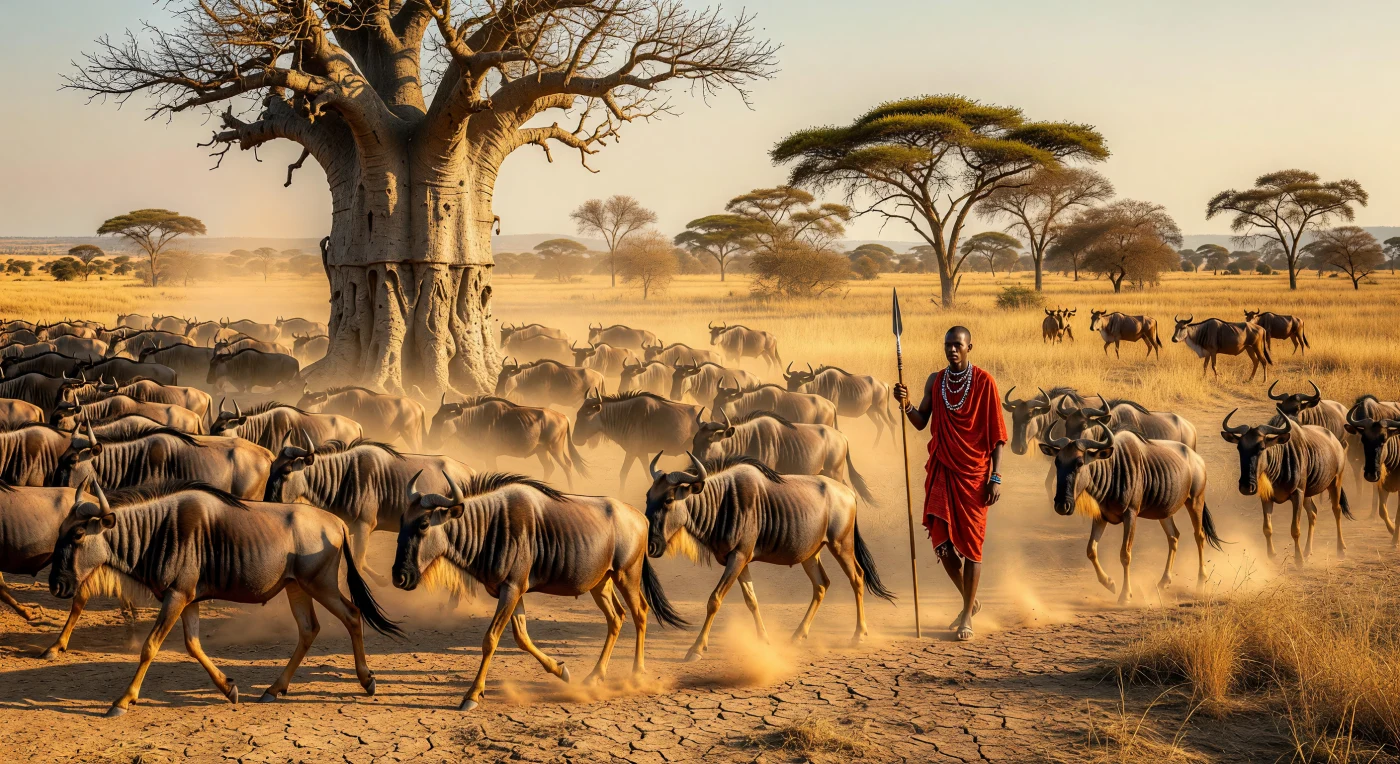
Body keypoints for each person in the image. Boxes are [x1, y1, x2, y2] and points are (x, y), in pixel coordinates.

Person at [893, 326, 1006, 641]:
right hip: (943, 468)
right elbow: (920, 422)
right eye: (948, 345)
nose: (952, 350)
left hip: (975, 474)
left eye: (958, 345)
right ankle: (970, 600)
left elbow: (997, 435)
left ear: (970, 346)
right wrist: (906, 404)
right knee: (942, 545)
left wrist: (995, 477)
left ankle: (967, 615)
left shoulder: (985, 383)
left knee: (971, 548)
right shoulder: (936, 380)